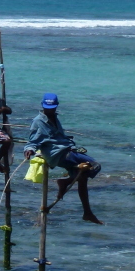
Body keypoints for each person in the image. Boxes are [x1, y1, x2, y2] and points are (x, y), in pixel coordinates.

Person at [23, 92, 103, 224]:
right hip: (59, 154)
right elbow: (32, 140)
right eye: (47, 108)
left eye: (52, 108)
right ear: (43, 106)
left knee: (82, 177)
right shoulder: (38, 121)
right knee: (95, 165)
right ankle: (65, 182)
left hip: (67, 149)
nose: (50, 110)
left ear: (56, 106)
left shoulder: (55, 117)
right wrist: (29, 149)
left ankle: (87, 212)